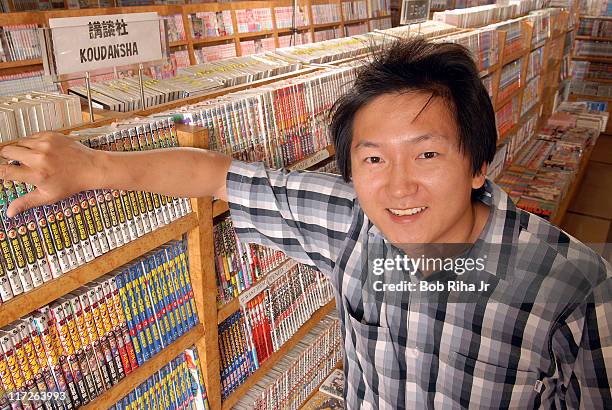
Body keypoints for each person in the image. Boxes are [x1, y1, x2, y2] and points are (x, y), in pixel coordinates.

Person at [1, 38, 610, 409]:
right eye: (373, 159)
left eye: (428, 154)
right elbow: (216, 175)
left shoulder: (573, 287)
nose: (398, 186)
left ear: (478, 163)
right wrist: (91, 166)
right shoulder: (354, 224)